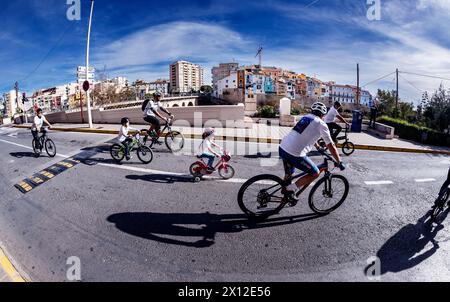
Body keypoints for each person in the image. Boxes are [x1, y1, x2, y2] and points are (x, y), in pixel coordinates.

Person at [279, 102, 344, 200]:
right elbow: (331, 145)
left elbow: (306, 134)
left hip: (283, 148)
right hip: (295, 154)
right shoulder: (321, 124)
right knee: (315, 173)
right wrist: (339, 161)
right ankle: (290, 189)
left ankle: (285, 190)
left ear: (312, 111)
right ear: (323, 115)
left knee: (289, 174)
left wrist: (317, 146)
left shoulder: (306, 117)